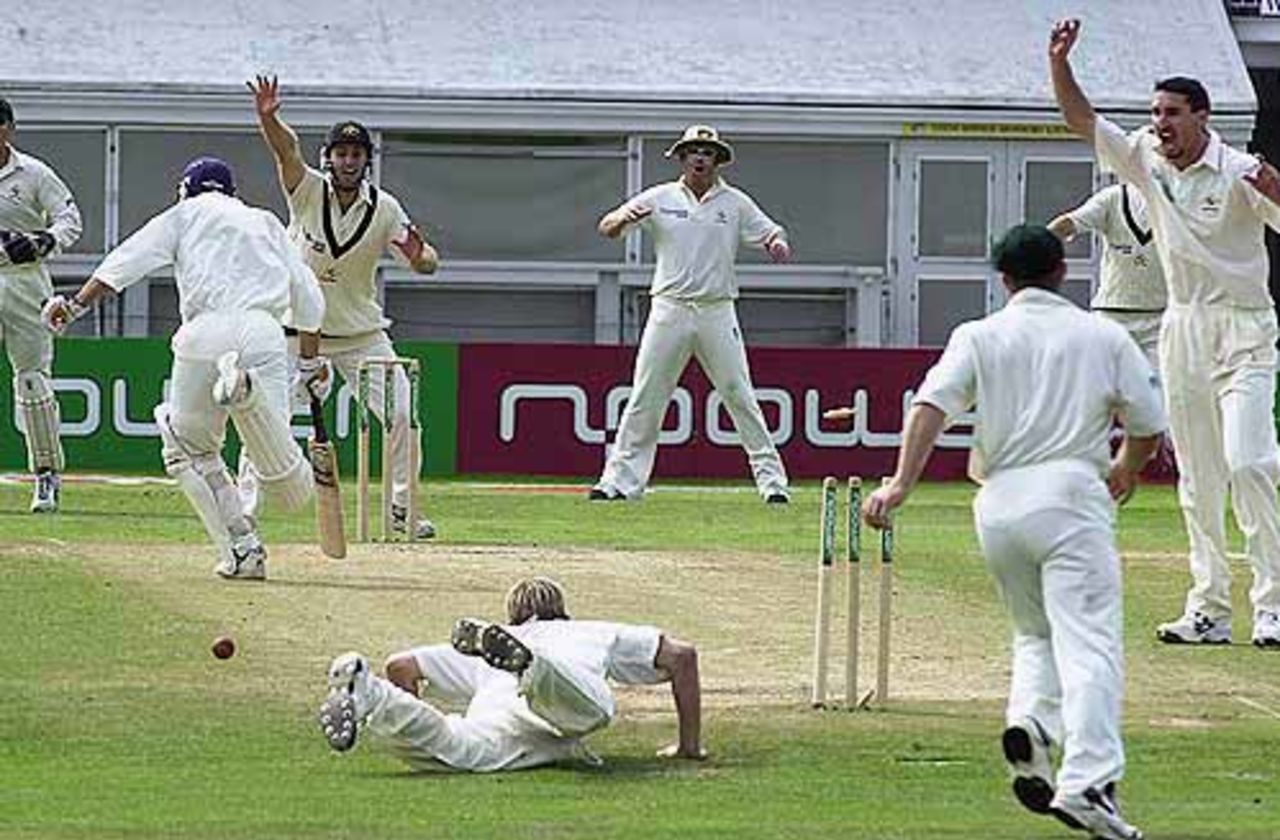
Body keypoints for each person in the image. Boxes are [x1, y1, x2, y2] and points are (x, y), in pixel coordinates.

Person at [862, 225, 1164, 840]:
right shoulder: (1100, 333)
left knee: (1035, 635)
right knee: (1090, 643)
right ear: (1062, 272)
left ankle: (1030, 725)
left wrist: (898, 486)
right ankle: (1089, 783)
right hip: (1069, 495)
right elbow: (1147, 423)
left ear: (1004, 279)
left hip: (997, 504)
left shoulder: (978, 334)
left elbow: (929, 408)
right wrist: (1126, 470)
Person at [1049, 18, 1280, 649]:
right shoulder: (1146, 160)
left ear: (1203, 117)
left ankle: (1273, 605)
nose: (1160, 125)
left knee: (1251, 462)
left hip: (1245, 327)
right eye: (1154, 114)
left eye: (1172, 113)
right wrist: (1060, 63)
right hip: (1182, 326)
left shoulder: (1240, 169)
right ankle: (1208, 609)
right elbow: (1081, 120)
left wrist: (1277, 189)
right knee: (1198, 478)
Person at [42, 157, 327, 581]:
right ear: (231, 193)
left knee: (187, 451)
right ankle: (245, 399)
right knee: (285, 482)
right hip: (265, 333)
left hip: (204, 334)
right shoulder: (264, 221)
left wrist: (75, 305)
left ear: (185, 190)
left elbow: (126, 261)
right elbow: (307, 294)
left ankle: (242, 550)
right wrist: (308, 362)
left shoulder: (183, 214)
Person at [246, 75, 439, 539]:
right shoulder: (306, 190)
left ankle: (403, 513)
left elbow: (423, 256)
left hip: (360, 336)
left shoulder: (386, 208)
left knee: (402, 416)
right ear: (328, 157)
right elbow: (285, 151)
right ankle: (244, 512)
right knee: (265, 420)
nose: (348, 161)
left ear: (367, 161)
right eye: (341, 153)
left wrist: (422, 259)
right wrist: (268, 117)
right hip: (295, 334)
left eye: (356, 154)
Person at [589, 125, 792, 504]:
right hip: (669, 308)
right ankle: (619, 483)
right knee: (646, 396)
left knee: (738, 395)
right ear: (682, 157)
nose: (700, 157)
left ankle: (773, 484)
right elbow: (607, 227)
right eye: (694, 151)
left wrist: (777, 244)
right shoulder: (659, 197)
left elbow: (771, 232)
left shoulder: (734, 203)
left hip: (717, 310)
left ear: (717, 160)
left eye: (708, 152)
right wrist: (619, 221)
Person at [318, 575, 705, 771]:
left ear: (512, 619)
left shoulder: (482, 650)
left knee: (456, 745)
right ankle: (533, 668)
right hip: (568, 695)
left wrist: (406, 697)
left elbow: (400, 665)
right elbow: (682, 656)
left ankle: (369, 691)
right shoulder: (591, 630)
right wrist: (689, 746)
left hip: (503, 722)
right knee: (594, 709)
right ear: (561, 610)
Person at [0, 96, 84, 513]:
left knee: (32, 382)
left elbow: (70, 221)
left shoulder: (34, 174)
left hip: (24, 282)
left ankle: (47, 475)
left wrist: (41, 241)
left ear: (7, 130)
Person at [1047, 183, 1165, 369]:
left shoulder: (1179, 200)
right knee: (1100, 387)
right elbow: (1071, 222)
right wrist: (1038, 243)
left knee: (1159, 390)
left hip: (1161, 318)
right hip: (1112, 315)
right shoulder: (1113, 197)